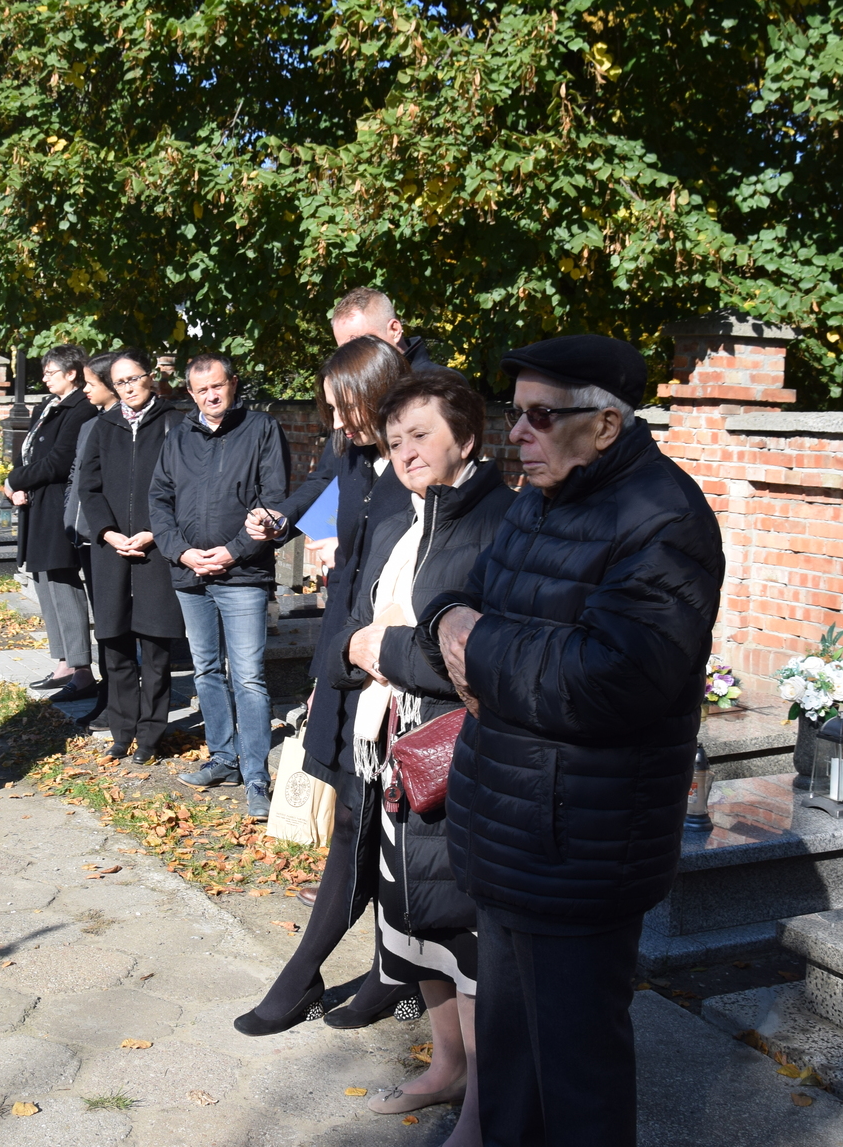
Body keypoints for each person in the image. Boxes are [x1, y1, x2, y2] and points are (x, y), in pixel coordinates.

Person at [419, 334, 723, 1147]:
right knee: (513, 1059)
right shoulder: (540, 496)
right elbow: (458, 595)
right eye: (516, 413)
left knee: (576, 1074)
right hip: (508, 827)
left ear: (606, 426)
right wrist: (448, 620)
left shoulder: (664, 518)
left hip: (577, 844)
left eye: (539, 416)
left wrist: (476, 646)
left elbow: (615, 677)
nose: (516, 432)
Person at [330, 371, 513, 1139]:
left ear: (465, 439)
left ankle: (485, 1102)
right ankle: (446, 1068)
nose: (405, 449)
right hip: (392, 748)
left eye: (422, 435)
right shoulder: (406, 517)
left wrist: (383, 648)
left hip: (455, 754)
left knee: (464, 933)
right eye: (395, 436)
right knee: (412, 920)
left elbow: (477, 655)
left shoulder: (497, 522)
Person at [234, 336, 419, 1035]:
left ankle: (328, 974)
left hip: (388, 672)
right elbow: (330, 521)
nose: (338, 424)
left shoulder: (414, 468)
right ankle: (384, 975)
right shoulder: (352, 455)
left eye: (349, 410)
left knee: (381, 827)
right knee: (353, 819)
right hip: (342, 659)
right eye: (333, 410)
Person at [148, 352, 290, 819]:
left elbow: (273, 502)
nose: (211, 395)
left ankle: (255, 775)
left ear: (232, 384)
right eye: (201, 389)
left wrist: (232, 550)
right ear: (190, 393)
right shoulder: (178, 436)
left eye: (218, 385)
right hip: (190, 574)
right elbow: (159, 499)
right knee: (206, 670)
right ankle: (223, 758)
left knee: (248, 676)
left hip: (242, 575)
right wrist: (180, 552)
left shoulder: (261, 429)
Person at [77, 349, 188, 762]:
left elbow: (185, 488)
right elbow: (89, 488)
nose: (128, 388)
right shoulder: (101, 427)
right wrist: (106, 531)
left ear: (151, 377)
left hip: (156, 548)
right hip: (112, 550)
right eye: (120, 382)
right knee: (115, 644)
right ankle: (121, 731)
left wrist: (156, 532)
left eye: (134, 378)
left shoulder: (176, 422)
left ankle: (150, 736)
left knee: (156, 648)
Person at [5, 345, 100, 702]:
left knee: (61, 579)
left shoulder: (81, 407)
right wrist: (15, 481)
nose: (44, 378)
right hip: (36, 504)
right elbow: (27, 450)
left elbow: (60, 461)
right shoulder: (45, 405)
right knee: (43, 580)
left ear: (71, 373)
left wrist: (18, 481)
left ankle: (81, 667)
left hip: (58, 504)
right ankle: (62, 661)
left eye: (50, 372)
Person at [62, 352, 121, 724]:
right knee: (103, 621)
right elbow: (78, 478)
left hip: (113, 538)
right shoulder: (90, 425)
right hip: (85, 535)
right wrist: (70, 518)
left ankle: (118, 695)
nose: (85, 390)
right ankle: (106, 690)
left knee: (115, 623)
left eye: (91, 383)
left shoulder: (122, 426)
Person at [328, 286, 447, 375]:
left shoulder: (440, 386)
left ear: (394, 330)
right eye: (344, 352)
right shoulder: (360, 391)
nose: (351, 359)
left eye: (360, 345)